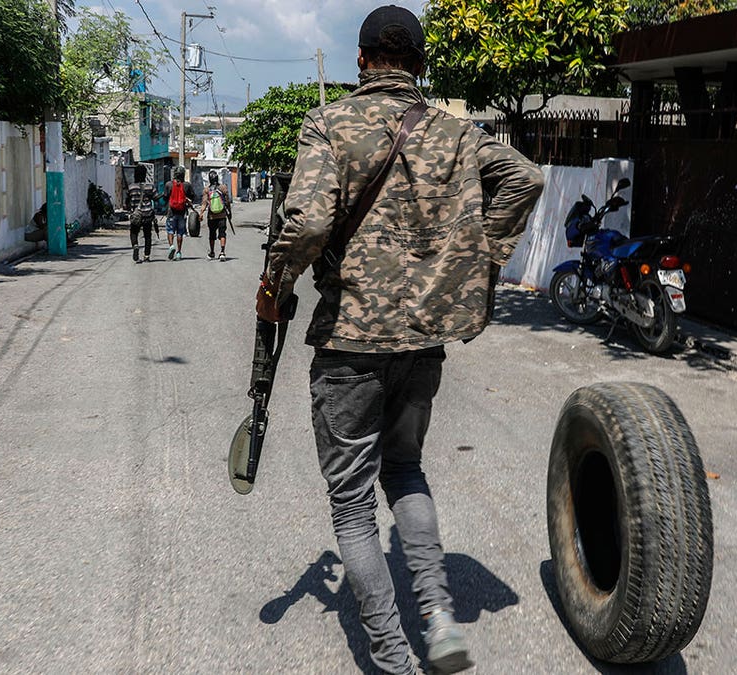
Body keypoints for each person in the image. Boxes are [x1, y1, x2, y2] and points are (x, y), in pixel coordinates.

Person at [257, 6, 544, 674]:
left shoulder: (329, 123)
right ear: (419, 64)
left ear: (361, 61)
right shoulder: (456, 131)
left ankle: (391, 654)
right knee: (406, 469)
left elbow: (307, 224)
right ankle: (439, 620)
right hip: (421, 343)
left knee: (353, 501)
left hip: (351, 343)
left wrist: (275, 283)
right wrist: (479, 257)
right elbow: (525, 178)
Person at [125, 166, 159, 263]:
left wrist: (130, 210)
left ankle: (135, 245)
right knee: (147, 235)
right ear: (145, 174)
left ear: (135, 174)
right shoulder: (150, 187)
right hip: (148, 214)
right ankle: (146, 256)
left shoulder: (131, 187)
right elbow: (156, 198)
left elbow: (127, 201)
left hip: (136, 215)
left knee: (134, 232)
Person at [164, 166, 195, 260]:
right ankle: (178, 252)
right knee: (180, 232)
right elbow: (193, 197)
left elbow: (165, 197)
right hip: (182, 212)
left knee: (170, 231)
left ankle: (171, 246)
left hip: (171, 212)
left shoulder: (169, 184)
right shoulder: (187, 185)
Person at [201, 170, 232, 260]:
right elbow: (227, 202)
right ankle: (222, 252)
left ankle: (212, 252)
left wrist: (201, 213)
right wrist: (229, 212)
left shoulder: (207, 190)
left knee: (212, 235)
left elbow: (204, 203)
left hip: (211, 216)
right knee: (222, 234)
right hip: (222, 215)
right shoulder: (223, 188)